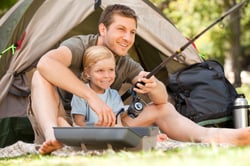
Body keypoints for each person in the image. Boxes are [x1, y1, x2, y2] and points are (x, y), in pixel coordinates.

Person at [29, 4, 250, 155]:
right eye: (121, 30)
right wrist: (91, 97)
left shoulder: (125, 62)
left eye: (132, 32)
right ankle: (53, 138)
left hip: (108, 125)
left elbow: (162, 99)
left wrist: (155, 86)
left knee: (162, 108)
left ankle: (212, 135)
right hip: (65, 122)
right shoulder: (80, 45)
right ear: (103, 29)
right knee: (41, 76)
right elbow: (46, 63)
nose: (127, 38)